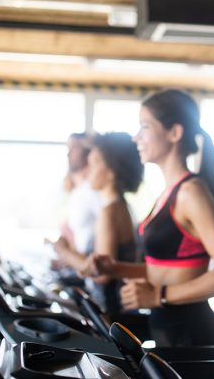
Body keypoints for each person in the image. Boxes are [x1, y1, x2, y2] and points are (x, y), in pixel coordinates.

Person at [82, 89, 214, 346]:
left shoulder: (190, 192)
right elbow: (166, 269)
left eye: (145, 126)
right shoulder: (168, 193)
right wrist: (115, 268)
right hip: (169, 329)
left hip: (191, 335)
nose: (136, 136)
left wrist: (159, 296)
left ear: (174, 133)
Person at [51, 132, 143, 314]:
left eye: (93, 164)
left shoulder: (108, 213)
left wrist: (63, 251)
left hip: (111, 309)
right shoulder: (122, 206)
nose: (88, 171)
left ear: (111, 172)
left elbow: (101, 274)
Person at [48, 132, 103, 284]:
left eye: (75, 148)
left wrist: (64, 251)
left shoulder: (93, 192)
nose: (68, 153)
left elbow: (102, 251)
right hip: (85, 273)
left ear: (88, 153)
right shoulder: (78, 192)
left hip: (95, 278)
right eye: (68, 148)